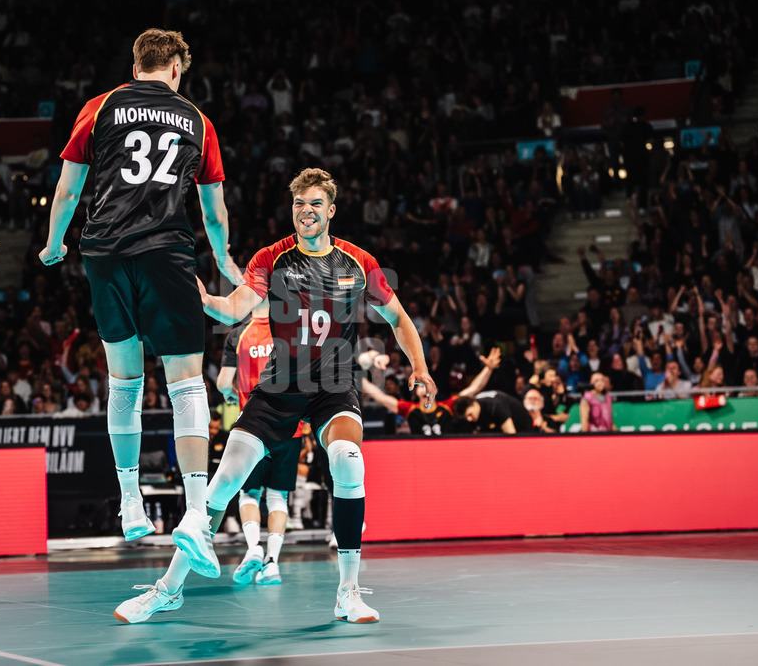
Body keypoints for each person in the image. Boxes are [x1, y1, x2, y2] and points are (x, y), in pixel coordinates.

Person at [114, 167, 436, 625]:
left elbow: (399, 319)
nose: (306, 211)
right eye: (299, 203)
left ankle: (348, 591)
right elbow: (235, 308)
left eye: (316, 203)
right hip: (279, 387)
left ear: (331, 210)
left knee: (348, 460)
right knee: (225, 479)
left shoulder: (359, 262)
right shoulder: (271, 257)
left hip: (334, 388)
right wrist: (204, 298)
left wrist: (420, 368)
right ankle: (167, 590)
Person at [39, 29, 242, 572]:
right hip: (165, 253)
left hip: (104, 252)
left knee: (124, 380)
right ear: (175, 68)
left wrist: (54, 243)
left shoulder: (99, 106)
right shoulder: (198, 120)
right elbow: (214, 212)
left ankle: (131, 503)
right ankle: (195, 516)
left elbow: (68, 189)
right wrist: (224, 261)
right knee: (186, 384)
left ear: (136, 66)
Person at [216, 301, 302, 586]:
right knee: (278, 497)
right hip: (291, 428)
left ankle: (254, 547)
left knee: (250, 493)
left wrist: (231, 395)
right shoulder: (291, 330)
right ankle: (272, 564)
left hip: (254, 427)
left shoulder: (237, 335)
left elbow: (223, 382)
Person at [361, 347, 502, 436]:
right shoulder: (410, 409)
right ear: (416, 392)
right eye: (421, 385)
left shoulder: (447, 406)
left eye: (428, 384)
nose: (425, 388)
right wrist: (358, 378)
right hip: (419, 454)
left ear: (436, 390)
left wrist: (488, 368)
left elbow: (473, 389)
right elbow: (381, 397)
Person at [453, 389, 535, 434]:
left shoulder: (495, 406)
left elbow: (511, 435)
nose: (469, 419)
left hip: (524, 430)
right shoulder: (473, 415)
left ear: (475, 404)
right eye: (466, 417)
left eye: (470, 414)